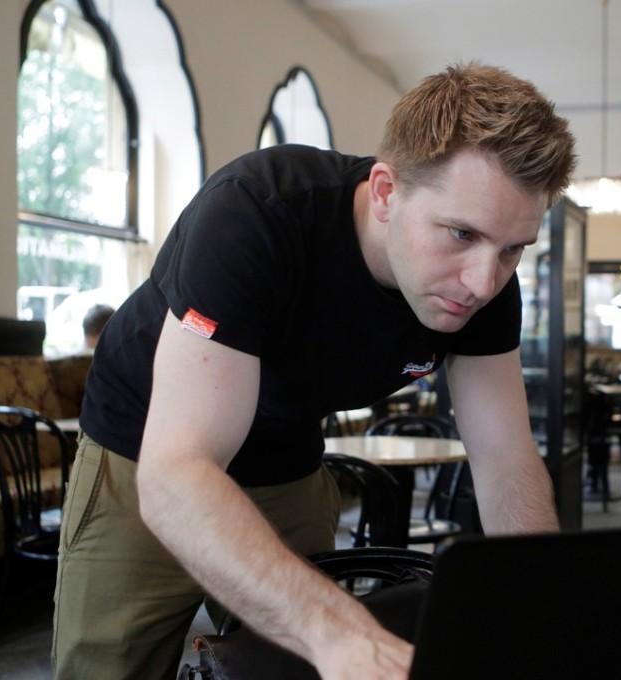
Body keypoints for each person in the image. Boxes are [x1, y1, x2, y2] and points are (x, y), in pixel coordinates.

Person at [51, 62, 576, 680]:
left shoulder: (485, 283)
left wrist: (547, 613)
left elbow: (507, 459)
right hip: (145, 450)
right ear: (386, 192)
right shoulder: (256, 213)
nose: (484, 281)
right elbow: (177, 476)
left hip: (286, 456)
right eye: (461, 233)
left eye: (513, 248)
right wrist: (338, 633)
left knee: (291, 669)